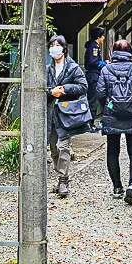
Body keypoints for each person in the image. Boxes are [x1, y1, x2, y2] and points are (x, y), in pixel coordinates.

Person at [96, 40, 132, 205]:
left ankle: (117, 186)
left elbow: (100, 92)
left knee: (113, 150)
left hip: (112, 114)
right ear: (131, 52)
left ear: (113, 52)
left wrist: (108, 105)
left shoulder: (106, 69)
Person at [47, 35, 90, 198]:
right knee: (54, 148)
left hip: (65, 114)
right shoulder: (47, 68)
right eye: (52, 45)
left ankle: (64, 180)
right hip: (51, 113)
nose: (55, 47)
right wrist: (51, 91)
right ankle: (59, 178)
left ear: (64, 49)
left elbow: (83, 86)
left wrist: (64, 88)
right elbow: (40, 87)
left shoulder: (72, 68)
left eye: (58, 45)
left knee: (63, 146)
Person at [83, 27, 106, 132]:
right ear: (99, 37)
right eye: (103, 36)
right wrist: (104, 63)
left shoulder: (93, 46)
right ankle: (89, 124)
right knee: (93, 100)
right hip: (93, 75)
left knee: (92, 100)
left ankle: (89, 123)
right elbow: (93, 62)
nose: (104, 38)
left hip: (93, 75)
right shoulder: (94, 47)